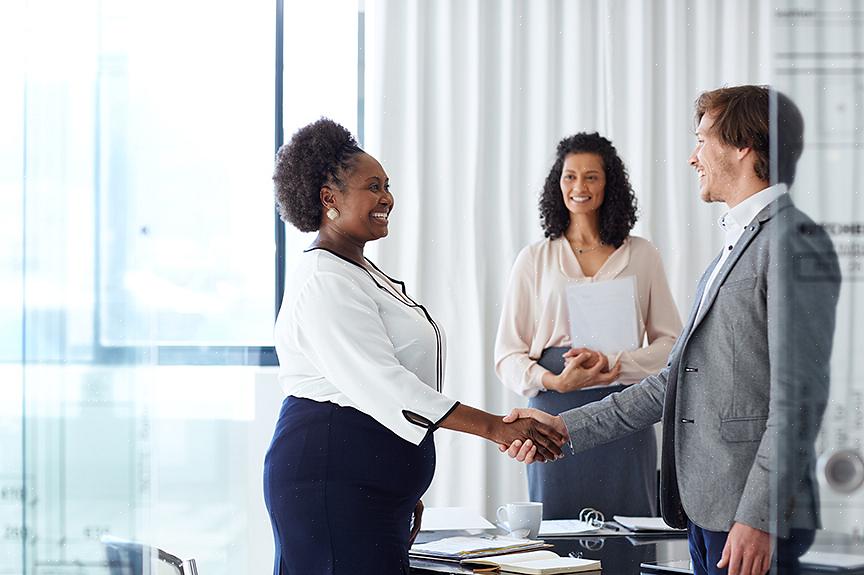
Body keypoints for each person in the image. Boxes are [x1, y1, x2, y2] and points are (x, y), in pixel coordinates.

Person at [502, 86, 840, 575]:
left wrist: (759, 516)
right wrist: (564, 424)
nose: (692, 157)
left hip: (748, 522)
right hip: (709, 512)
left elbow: (800, 401)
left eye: (702, 141)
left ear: (743, 146)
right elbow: (674, 381)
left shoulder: (791, 241)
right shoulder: (735, 245)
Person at [263, 118, 565, 575]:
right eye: (373, 187)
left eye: (387, 186)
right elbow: (390, 388)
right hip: (331, 485)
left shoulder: (358, 273)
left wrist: (403, 489)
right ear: (330, 198)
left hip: (367, 489)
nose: (387, 198)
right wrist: (498, 428)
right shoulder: (324, 281)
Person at [494, 132, 683, 519]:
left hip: (626, 409)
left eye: (592, 176)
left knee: (628, 530)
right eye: (570, 176)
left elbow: (672, 345)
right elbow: (507, 354)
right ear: (557, 183)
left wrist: (616, 365)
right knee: (556, 532)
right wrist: (556, 382)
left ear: (609, 182)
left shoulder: (642, 254)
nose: (579, 186)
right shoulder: (534, 259)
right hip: (553, 412)